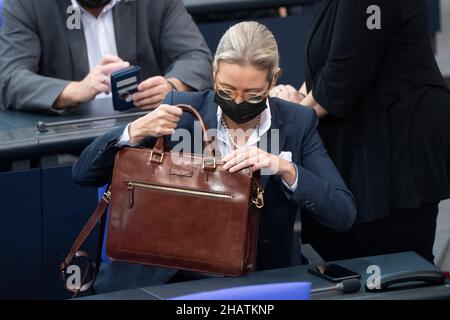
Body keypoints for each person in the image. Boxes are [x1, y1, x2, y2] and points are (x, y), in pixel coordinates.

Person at [72, 21, 357, 293]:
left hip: (259, 279)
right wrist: (133, 131)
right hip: (173, 278)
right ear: (214, 73)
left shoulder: (297, 122)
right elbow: (84, 173)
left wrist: (285, 169)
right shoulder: (181, 112)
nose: (238, 102)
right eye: (227, 90)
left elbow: (342, 213)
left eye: (253, 94)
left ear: (274, 80)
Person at [271, 0, 450, 262]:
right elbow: (329, 65)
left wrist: (292, 113)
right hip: (362, 142)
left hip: (392, 153)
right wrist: (297, 98)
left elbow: (340, 81)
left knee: (393, 273)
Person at [0, 0, 213, 113]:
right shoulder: (28, 3)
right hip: (66, 144)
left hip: (145, 135)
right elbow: (10, 79)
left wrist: (171, 87)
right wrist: (74, 90)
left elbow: (197, 57)